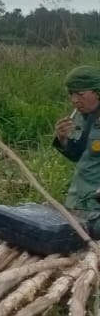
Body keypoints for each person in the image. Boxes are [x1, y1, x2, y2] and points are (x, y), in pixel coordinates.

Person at [53, 65, 100, 236]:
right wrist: (63, 139)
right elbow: (79, 156)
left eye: (80, 94)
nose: (74, 100)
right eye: (71, 94)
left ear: (97, 92)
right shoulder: (83, 117)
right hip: (78, 200)